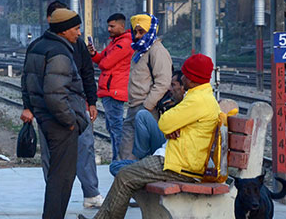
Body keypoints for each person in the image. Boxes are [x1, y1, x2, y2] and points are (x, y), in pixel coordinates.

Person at [79, 54, 220, 219]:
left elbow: (165, 122)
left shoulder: (197, 100)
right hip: (179, 159)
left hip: (180, 166)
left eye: (185, 75)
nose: (182, 78)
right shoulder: (201, 97)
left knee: (125, 176)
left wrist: (172, 126)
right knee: (124, 171)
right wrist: (172, 127)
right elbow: (169, 124)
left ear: (193, 79)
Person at [21, 1, 103, 208]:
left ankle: (87, 194)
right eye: (76, 28)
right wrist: (70, 121)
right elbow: (52, 92)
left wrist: (91, 101)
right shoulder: (57, 51)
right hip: (63, 118)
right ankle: (56, 205)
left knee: (65, 164)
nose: (79, 33)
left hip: (52, 115)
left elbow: (86, 72)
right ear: (62, 27)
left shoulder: (42, 46)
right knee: (61, 171)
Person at [109, 70, 185, 176]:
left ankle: (142, 168)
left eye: (173, 85)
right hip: (163, 147)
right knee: (115, 166)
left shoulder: (188, 105)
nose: (169, 89)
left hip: (170, 156)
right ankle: (142, 161)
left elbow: (167, 126)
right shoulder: (171, 103)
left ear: (183, 87)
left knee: (117, 168)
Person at [118, 13, 172, 160]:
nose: (137, 36)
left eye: (141, 31)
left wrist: (147, 106)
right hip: (134, 107)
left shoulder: (157, 51)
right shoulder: (141, 51)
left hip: (147, 109)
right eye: (135, 31)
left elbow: (163, 82)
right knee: (126, 152)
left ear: (150, 31)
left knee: (139, 154)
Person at [88, 13, 132, 162]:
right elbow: (101, 58)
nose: (109, 29)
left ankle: (119, 160)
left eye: (112, 26)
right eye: (108, 26)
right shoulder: (115, 42)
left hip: (114, 90)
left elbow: (105, 63)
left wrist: (101, 59)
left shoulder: (123, 43)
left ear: (122, 26)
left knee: (116, 128)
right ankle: (117, 159)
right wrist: (94, 54)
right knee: (112, 127)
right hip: (110, 89)